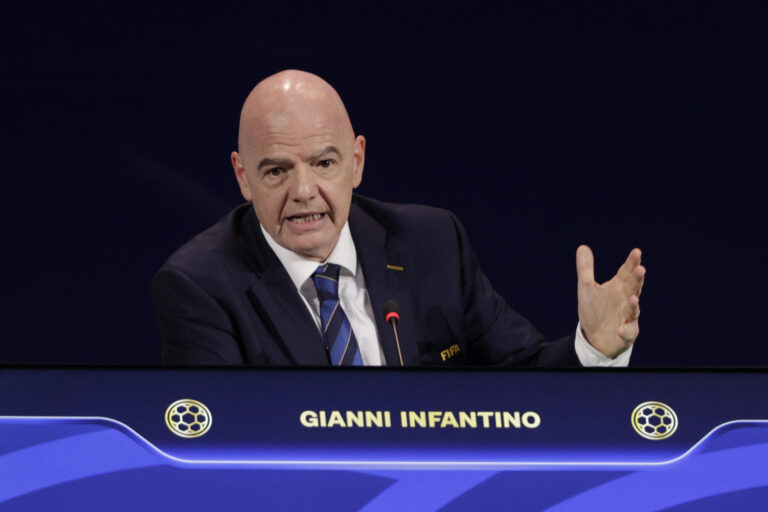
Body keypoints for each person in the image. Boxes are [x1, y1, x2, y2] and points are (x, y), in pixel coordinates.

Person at [152, 70, 645, 367]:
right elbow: (225, 447)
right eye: (277, 170)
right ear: (242, 176)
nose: (303, 192)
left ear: (357, 161)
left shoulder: (432, 244)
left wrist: (593, 348)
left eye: (324, 163)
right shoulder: (201, 286)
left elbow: (523, 378)